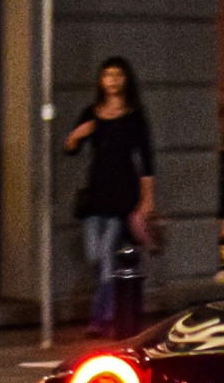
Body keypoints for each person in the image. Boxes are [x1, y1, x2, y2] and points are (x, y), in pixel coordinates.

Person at [63, 56, 158, 337]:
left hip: (122, 196)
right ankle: (111, 309)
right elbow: (71, 148)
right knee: (95, 255)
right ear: (101, 81)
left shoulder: (134, 116)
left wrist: (147, 199)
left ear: (125, 79)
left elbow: (147, 160)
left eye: (117, 75)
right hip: (95, 195)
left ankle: (100, 319)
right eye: (107, 75)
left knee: (106, 256)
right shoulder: (91, 114)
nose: (112, 80)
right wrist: (76, 135)